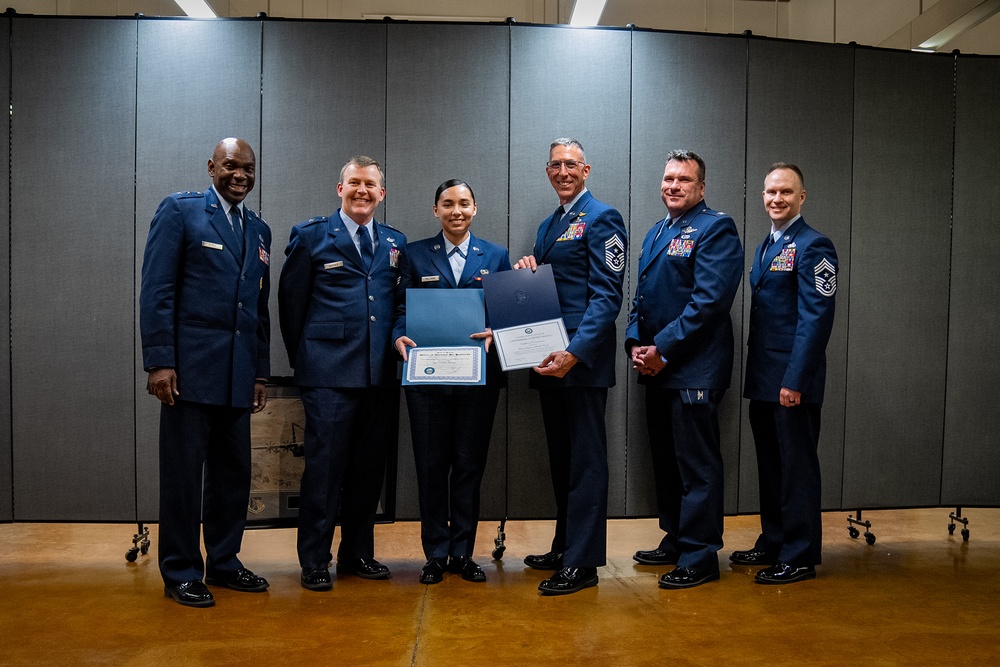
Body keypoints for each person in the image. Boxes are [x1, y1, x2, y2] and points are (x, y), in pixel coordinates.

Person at [140, 137, 271, 608]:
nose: (240, 175)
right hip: (188, 374)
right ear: (211, 166)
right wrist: (159, 360)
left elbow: (258, 308)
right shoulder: (181, 212)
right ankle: (179, 569)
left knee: (232, 475)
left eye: (248, 169)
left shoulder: (260, 230)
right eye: (231, 166)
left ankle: (224, 560)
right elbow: (156, 289)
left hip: (237, 375)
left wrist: (260, 372)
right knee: (182, 476)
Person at [278, 156, 406, 592]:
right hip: (328, 373)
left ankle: (357, 554)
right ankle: (314, 560)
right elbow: (291, 305)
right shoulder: (311, 235)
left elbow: (398, 306)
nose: (362, 191)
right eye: (354, 183)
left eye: (370, 185)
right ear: (340, 188)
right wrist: (308, 361)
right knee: (325, 470)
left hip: (379, 376)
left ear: (382, 194)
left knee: (368, 471)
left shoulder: (394, 242)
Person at [625, 149, 743, 590]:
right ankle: (676, 538)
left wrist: (663, 349)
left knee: (697, 466)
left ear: (701, 187)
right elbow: (641, 298)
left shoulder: (716, 228)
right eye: (668, 178)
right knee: (668, 463)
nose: (673, 186)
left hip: (693, 369)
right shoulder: (657, 231)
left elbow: (708, 303)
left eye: (684, 180)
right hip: (656, 368)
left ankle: (700, 555)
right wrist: (636, 343)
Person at [514, 138, 627, 596]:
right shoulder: (548, 225)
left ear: (587, 169)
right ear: (547, 171)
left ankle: (583, 562)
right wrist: (529, 269)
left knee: (585, 462)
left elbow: (607, 296)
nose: (563, 171)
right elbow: (548, 287)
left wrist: (575, 353)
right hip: (548, 358)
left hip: (578, 361)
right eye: (556, 165)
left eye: (571, 165)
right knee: (563, 462)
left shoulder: (603, 218)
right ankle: (565, 546)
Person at [393, 179, 511, 585]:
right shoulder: (413, 254)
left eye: (463, 204)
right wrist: (398, 336)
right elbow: (398, 309)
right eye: (447, 204)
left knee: (467, 467)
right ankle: (435, 554)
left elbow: (506, 313)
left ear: (475, 209)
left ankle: (462, 553)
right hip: (427, 381)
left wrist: (497, 330)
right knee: (430, 468)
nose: (456, 211)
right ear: (435, 210)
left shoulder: (495, 256)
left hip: (478, 381)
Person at [731, 162, 838, 585]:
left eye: (786, 192)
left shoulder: (814, 245)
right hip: (764, 379)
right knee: (772, 466)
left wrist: (794, 380)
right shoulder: (767, 243)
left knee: (797, 469)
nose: (777, 199)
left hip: (791, 382)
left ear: (802, 196)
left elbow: (816, 319)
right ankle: (774, 540)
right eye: (770, 192)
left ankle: (800, 554)